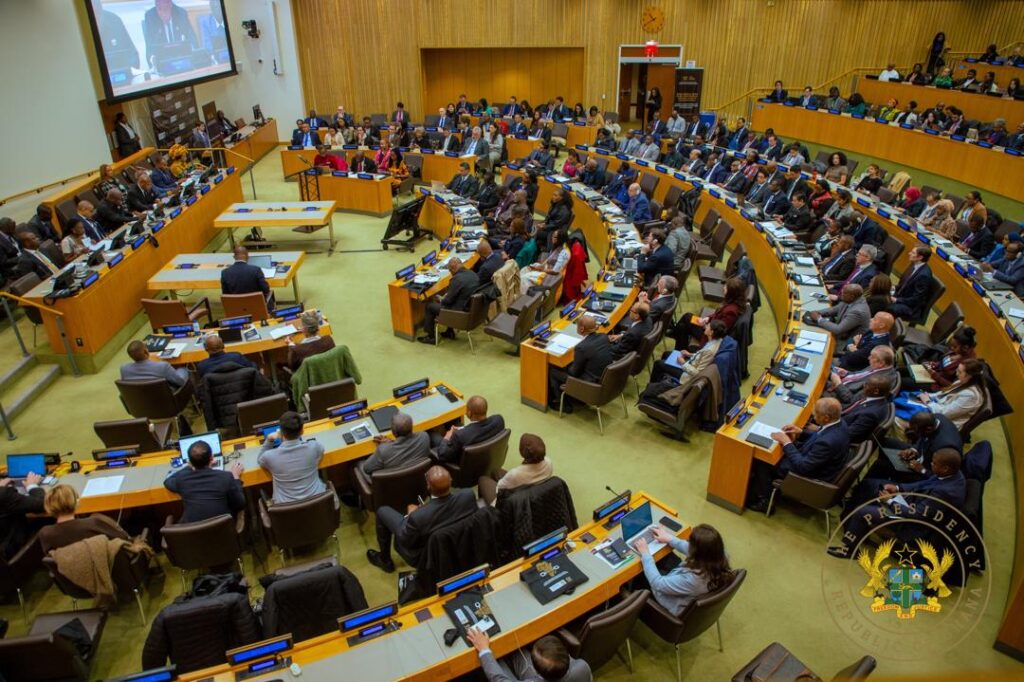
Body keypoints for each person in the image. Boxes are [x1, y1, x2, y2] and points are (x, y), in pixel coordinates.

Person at [366, 465, 477, 573]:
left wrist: (409, 517)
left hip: (426, 556)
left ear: (428, 486)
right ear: (451, 480)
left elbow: (405, 540)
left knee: (382, 511)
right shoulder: (468, 495)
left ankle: (384, 560)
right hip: (460, 546)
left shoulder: (418, 517)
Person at [747, 398, 850, 512]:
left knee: (765, 460)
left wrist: (787, 442)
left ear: (826, 418)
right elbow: (818, 436)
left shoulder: (828, 442)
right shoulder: (839, 423)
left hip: (811, 475)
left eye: (816, 413)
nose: (813, 415)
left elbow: (802, 467)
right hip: (813, 461)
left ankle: (764, 501)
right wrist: (801, 432)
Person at [632, 523, 734, 617]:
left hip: (670, 599)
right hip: (686, 583)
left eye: (690, 543)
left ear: (697, 552)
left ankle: (631, 606)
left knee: (639, 574)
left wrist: (645, 553)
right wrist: (669, 538)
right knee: (665, 557)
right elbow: (693, 549)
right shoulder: (720, 555)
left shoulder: (694, 580)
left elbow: (658, 583)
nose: (688, 543)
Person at [163, 440, 245, 523]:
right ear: (212, 458)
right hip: (223, 529)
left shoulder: (182, 479)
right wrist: (236, 477)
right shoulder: (226, 477)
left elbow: (168, 481)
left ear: (189, 461)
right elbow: (240, 504)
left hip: (193, 530)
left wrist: (190, 465)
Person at [467, 628, 592, 682]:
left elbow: (499, 679)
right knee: (516, 651)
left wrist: (484, 649)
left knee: (497, 660)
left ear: (536, 670)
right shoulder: (583, 667)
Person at [38, 485, 130, 555]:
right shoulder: (93, 523)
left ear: (48, 507)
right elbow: (123, 539)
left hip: (69, 574)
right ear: (76, 502)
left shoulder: (45, 534)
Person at [258, 411, 327, 504]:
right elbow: (321, 453)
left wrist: (269, 440)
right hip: (318, 503)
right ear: (302, 431)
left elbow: (260, 460)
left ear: (281, 432)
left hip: (286, 509)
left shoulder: (269, 456)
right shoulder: (314, 447)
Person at [547, 315, 612, 412]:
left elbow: (573, 373)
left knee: (553, 370)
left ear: (581, 329)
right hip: (602, 378)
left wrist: (565, 365)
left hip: (589, 383)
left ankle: (564, 405)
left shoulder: (582, 347)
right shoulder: (604, 337)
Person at [897, 360, 985, 430]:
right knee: (907, 396)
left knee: (899, 410)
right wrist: (927, 396)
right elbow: (941, 394)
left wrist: (927, 401)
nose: (956, 373)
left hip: (943, 421)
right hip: (937, 407)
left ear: (969, 376)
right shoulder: (962, 382)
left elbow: (945, 414)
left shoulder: (971, 396)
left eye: (960, 372)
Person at [420, 258, 479, 344]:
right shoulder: (473, 274)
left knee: (430, 306)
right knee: (452, 302)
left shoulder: (457, 279)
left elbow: (447, 301)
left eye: (450, 271)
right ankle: (449, 332)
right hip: (470, 308)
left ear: (453, 269)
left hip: (459, 313)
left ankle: (431, 337)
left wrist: (441, 299)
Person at [434, 396, 505, 464]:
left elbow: (442, 455)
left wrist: (447, 437)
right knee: (456, 422)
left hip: (462, 465)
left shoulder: (459, 436)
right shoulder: (499, 420)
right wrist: (463, 429)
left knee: (433, 436)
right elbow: (478, 428)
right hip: (487, 457)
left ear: (469, 413)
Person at [360, 412, 431, 476]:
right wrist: (391, 442)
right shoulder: (424, 437)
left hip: (393, 484)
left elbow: (367, 469)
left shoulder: (383, 450)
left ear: (394, 432)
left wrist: (382, 447)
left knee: (357, 463)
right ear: (411, 427)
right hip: (419, 479)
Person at [828, 345, 897, 406]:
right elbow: (859, 375)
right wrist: (846, 373)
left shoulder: (878, 382)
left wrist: (838, 384)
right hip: (840, 384)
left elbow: (850, 400)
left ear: (881, 363)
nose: (869, 358)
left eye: (872, 357)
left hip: (837, 398)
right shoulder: (879, 366)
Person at [914, 326, 978, 390]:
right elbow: (943, 363)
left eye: (954, 347)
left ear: (965, 348)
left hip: (936, 386)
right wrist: (934, 364)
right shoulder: (956, 352)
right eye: (951, 345)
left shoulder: (965, 365)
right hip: (931, 376)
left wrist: (935, 375)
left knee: (909, 381)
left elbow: (952, 386)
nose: (951, 348)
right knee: (909, 371)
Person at [0, 470, 45, 558]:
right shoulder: (4, 494)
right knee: (49, 520)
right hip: (11, 552)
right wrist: (31, 485)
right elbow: (41, 503)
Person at [888, 246, 934, 321]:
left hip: (910, 306)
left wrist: (896, 300)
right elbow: (905, 284)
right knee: (879, 294)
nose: (909, 253)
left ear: (920, 257)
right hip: (902, 296)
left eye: (913, 253)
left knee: (883, 304)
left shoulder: (924, 276)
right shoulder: (914, 265)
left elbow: (916, 299)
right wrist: (893, 287)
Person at [120, 339, 188, 388]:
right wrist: (183, 369)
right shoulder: (163, 366)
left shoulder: (124, 369)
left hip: (139, 401)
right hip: (165, 399)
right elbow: (180, 382)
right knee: (184, 370)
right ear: (145, 352)